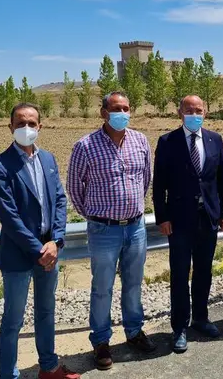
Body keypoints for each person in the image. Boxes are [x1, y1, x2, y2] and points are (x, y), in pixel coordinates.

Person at [0, 102, 80, 379]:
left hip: (49, 251)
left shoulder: (48, 160)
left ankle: (49, 367)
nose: (26, 128)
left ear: (40, 126)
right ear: (10, 127)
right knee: (13, 321)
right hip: (20, 254)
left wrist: (56, 242)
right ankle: (8, 375)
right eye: (20, 123)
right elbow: (9, 217)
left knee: (46, 312)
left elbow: (60, 201)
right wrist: (40, 249)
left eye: (31, 123)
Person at [66, 92, 156, 371]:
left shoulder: (140, 140)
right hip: (103, 230)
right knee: (102, 287)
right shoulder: (85, 146)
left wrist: (131, 209)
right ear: (103, 112)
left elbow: (146, 179)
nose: (122, 113)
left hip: (136, 227)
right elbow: (74, 187)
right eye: (116, 108)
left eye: (126, 108)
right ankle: (101, 341)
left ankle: (133, 331)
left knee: (133, 283)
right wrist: (95, 216)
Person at [152, 95, 223, 353]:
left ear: (205, 112)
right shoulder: (167, 142)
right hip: (178, 221)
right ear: (180, 113)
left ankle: (201, 318)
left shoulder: (215, 140)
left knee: (204, 272)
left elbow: (221, 180)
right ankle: (179, 328)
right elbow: (159, 184)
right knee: (179, 274)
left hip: (207, 218)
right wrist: (162, 217)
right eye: (189, 110)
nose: (194, 113)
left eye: (199, 110)